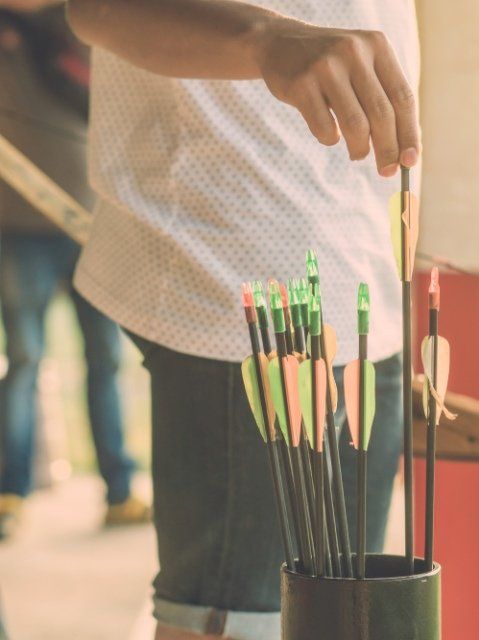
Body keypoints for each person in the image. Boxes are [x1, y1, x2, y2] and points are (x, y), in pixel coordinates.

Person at [66, 0, 420, 638]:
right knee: (243, 623)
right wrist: (265, 37)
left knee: (347, 618)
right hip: (238, 274)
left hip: (361, 273)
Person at [0, 2, 150, 539]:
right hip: (18, 226)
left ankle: (120, 491)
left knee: (104, 359)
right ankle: (9, 493)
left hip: (91, 222)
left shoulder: (90, 19)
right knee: (24, 358)